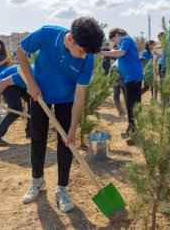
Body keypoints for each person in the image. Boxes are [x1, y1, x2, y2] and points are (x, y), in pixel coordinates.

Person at [17, 17, 104, 213]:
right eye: (81, 51)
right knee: (37, 138)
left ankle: (62, 189)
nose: (83, 56)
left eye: (87, 53)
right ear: (70, 38)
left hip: (66, 98)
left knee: (66, 142)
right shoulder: (47, 33)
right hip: (40, 93)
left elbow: (80, 95)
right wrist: (31, 83)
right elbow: (20, 52)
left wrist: (73, 129)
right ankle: (37, 181)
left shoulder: (87, 59)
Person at [97, 28, 143, 146]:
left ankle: (136, 134)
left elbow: (121, 52)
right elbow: (118, 53)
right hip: (130, 77)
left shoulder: (126, 39)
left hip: (133, 76)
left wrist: (102, 53)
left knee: (133, 106)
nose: (115, 43)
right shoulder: (124, 41)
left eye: (114, 40)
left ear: (117, 34)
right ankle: (131, 129)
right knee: (130, 104)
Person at [0, 64, 34, 146]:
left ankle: (31, 131)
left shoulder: (42, 76)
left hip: (19, 84)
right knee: (16, 110)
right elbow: (3, 82)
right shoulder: (27, 73)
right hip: (5, 82)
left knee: (33, 101)